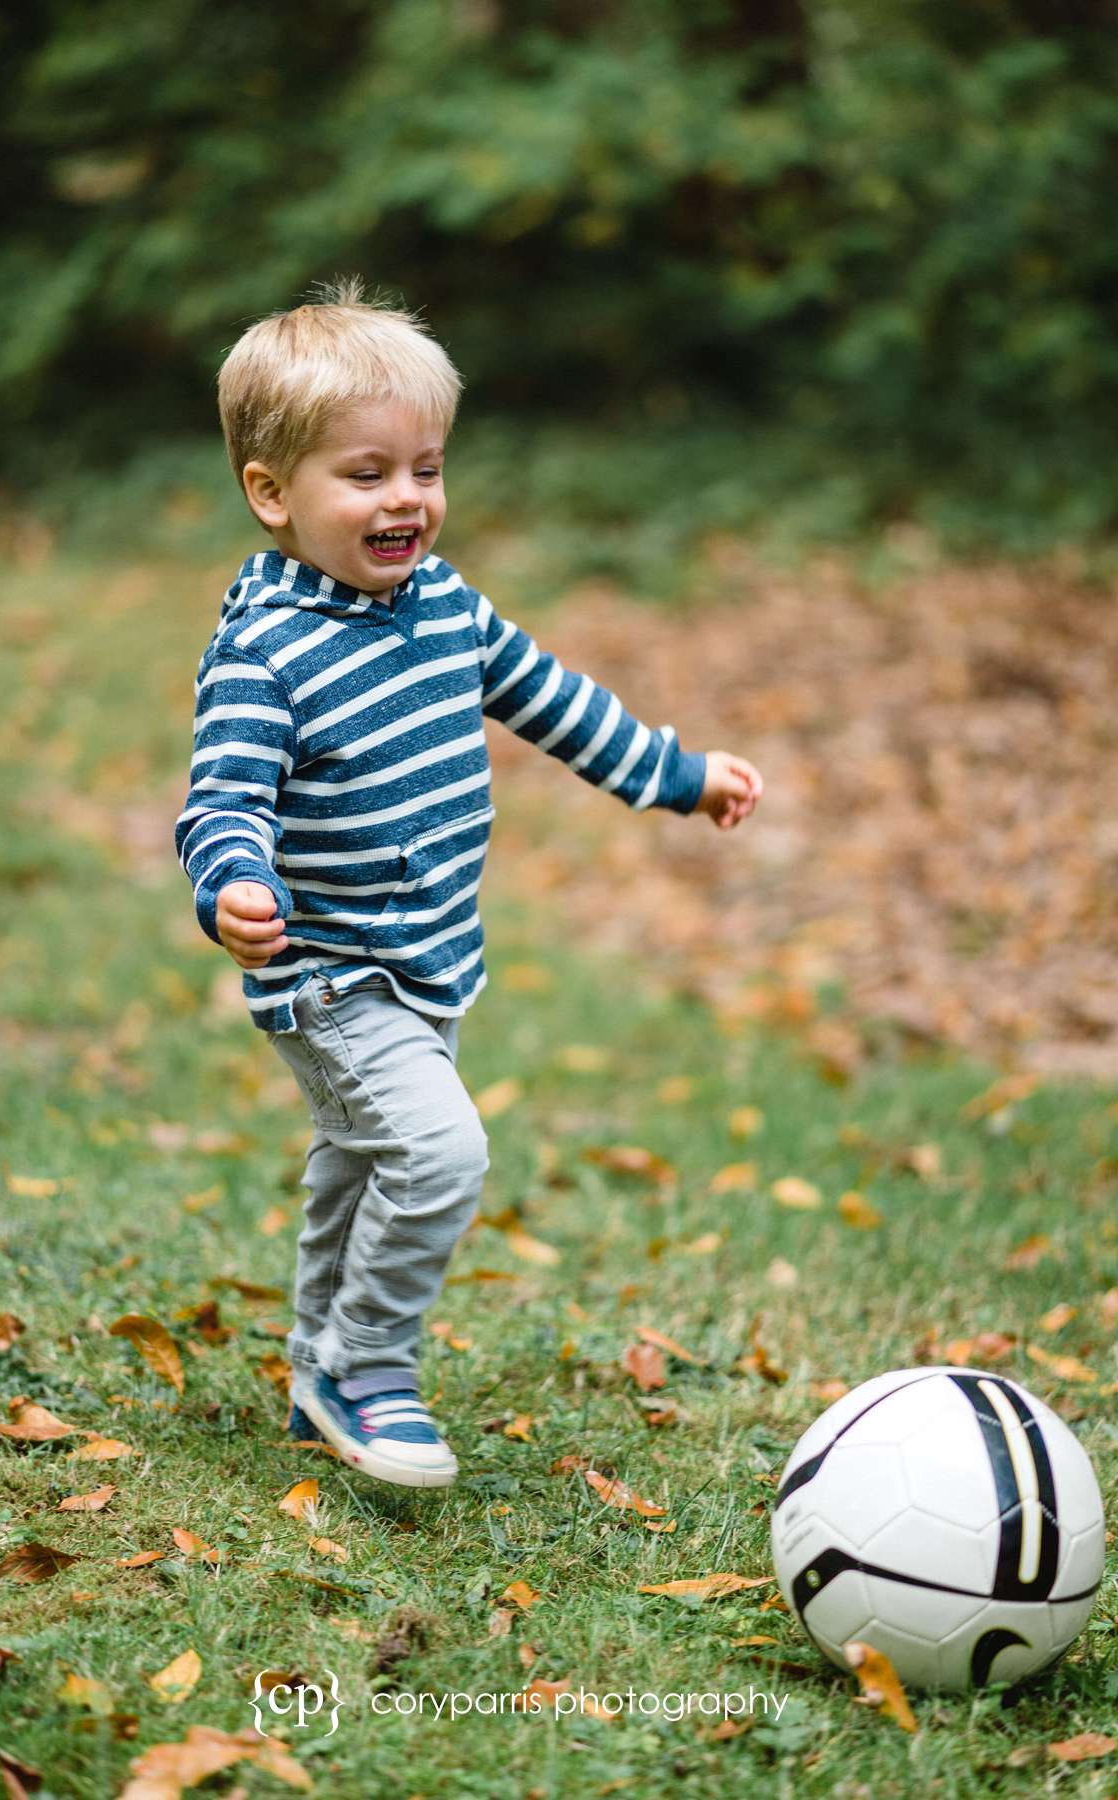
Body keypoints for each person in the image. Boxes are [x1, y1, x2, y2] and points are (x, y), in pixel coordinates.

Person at [174, 279, 763, 1489]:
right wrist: (231, 884)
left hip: (432, 958)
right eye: (368, 473)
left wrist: (679, 774)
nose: (408, 500)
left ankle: (310, 1371)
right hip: (331, 975)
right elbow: (220, 800)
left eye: (426, 470)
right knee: (437, 1155)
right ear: (271, 493)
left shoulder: (443, 604)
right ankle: (366, 1366)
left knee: (355, 1164)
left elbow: (557, 704)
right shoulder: (266, 651)